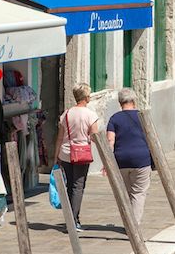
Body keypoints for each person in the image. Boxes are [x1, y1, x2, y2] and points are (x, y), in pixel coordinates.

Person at [55, 83, 100, 232]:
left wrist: (56, 156)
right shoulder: (90, 115)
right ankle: (74, 221)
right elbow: (94, 136)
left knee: (70, 186)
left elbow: (60, 137)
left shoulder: (66, 114)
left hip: (66, 152)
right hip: (81, 153)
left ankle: (71, 218)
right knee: (78, 186)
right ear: (86, 97)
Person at [107, 88, 153, 225]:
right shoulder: (142, 116)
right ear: (133, 101)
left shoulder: (114, 119)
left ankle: (129, 223)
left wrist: (108, 162)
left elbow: (110, 141)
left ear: (120, 102)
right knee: (138, 193)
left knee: (126, 193)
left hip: (121, 161)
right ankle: (134, 226)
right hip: (141, 160)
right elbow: (151, 139)